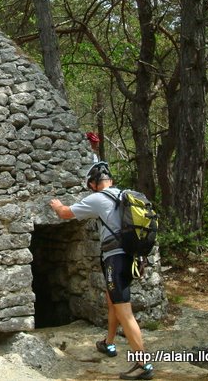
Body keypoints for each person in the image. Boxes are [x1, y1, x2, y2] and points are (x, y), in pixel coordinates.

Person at [50, 161, 154, 380]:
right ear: (110, 180)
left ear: (93, 184)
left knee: (125, 311)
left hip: (114, 260)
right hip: (129, 257)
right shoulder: (124, 194)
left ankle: (143, 364)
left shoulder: (97, 198)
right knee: (112, 301)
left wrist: (57, 205)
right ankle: (109, 343)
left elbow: (66, 214)